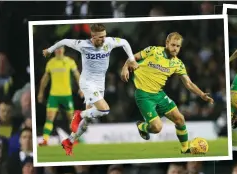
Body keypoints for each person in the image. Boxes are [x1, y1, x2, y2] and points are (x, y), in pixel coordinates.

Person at [43, 23, 137, 155]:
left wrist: (132, 59)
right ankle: (78, 114)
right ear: (93, 37)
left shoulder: (108, 42)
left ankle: (69, 142)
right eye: (100, 38)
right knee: (104, 110)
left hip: (100, 83)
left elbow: (125, 42)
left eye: (104, 36)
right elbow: (64, 41)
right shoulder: (83, 44)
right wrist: (50, 50)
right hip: (87, 82)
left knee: (87, 121)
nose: (103, 40)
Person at [121, 32, 214, 154]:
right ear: (167, 43)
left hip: (159, 95)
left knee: (180, 119)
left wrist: (202, 94)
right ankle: (141, 126)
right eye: (173, 45)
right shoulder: (153, 51)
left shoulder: (178, 63)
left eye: (178, 46)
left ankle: (185, 148)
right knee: (157, 128)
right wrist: (124, 68)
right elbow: (132, 58)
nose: (175, 48)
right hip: (144, 95)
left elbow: (189, 83)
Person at [37, 46, 82, 145]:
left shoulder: (69, 61)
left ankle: (74, 139)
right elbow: (45, 79)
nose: (58, 50)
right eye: (57, 49)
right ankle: (45, 140)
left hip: (67, 95)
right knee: (49, 118)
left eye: (60, 48)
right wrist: (41, 92)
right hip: (54, 96)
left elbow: (77, 75)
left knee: (71, 118)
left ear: (63, 50)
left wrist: (81, 88)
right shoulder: (51, 63)